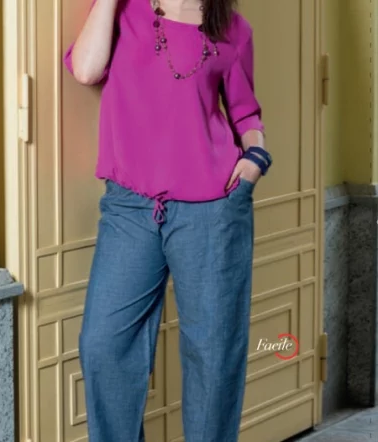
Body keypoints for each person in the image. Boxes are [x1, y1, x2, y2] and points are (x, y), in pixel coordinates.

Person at [63, 0, 272, 440]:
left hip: (213, 210)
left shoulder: (233, 30)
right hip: (130, 209)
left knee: (213, 356)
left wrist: (255, 155)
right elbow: (85, 69)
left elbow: (245, 111)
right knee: (103, 346)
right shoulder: (125, 12)